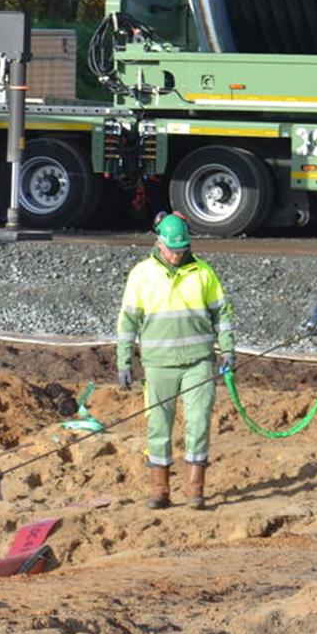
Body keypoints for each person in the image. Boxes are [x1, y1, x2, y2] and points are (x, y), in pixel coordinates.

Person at [116, 213, 234, 509]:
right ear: (159, 243)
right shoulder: (142, 275)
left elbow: (222, 314)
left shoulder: (203, 273)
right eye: (173, 249)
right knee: (159, 426)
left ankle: (195, 488)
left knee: (198, 422)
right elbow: (128, 321)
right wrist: (124, 361)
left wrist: (228, 349)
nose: (177, 254)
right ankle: (160, 489)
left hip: (198, 363)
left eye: (182, 248)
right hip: (159, 365)